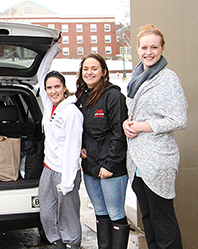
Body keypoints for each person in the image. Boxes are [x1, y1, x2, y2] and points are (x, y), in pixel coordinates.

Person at [123, 24, 187, 249]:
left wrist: (141, 126)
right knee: (148, 220)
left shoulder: (168, 78)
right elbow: (133, 112)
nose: (148, 52)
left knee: (163, 221)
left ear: (162, 49)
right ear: (138, 49)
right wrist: (127, 123)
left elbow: (179, 119)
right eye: (144, 47)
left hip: (158, 159)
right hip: (137, 161)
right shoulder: (137, 75)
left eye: (154, 47)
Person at [75, 53, 129, 248]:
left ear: (104, 72)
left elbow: (118, 133)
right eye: (86, 69)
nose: (89, 72)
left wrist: (110, 165)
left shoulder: (113, 96)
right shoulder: (82, 97)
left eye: (94, 68)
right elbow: (80, 128)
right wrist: (80, 146)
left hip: (110, 168)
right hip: (90, 167)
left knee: (115, 213)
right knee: (100, 212)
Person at [37, 41, 84, 249]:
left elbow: (73, 149)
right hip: (48, 169)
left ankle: (72, 244)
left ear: (65, 88)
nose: (53, 91)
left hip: (67, 170)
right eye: (49, 87)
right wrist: (53, 51)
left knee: (68, 216)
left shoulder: (71, 112)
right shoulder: (49, 106)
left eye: (57, 86)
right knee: (46, 213)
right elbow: (41, 74)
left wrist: (67, 182)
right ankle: (57, 243)